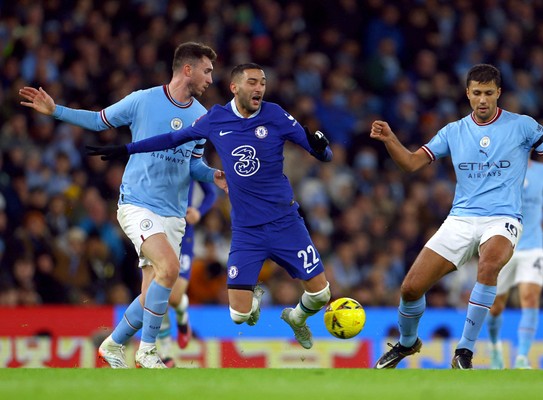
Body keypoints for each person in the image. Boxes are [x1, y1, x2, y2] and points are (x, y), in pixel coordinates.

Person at [368, 64, 543, 370]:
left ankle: (464, 352)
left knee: (490, 261)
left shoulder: (522, 126)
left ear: (499, 94)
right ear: (467, 94)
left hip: (503, 217)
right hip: (461, 219)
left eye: (489, 93)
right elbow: (412, 164)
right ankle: (406, 343)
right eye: (477, 93)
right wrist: (390, 140)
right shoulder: (453, 132)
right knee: (410, 289)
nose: (483, 100)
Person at [87, 63, 334, 349]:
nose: (259, 89)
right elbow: (172, 139)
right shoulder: (215, 119)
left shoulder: (275, 115)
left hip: (285, 221)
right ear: (235, 87)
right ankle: (251, 298)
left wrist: (321, 149)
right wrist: (126, 149)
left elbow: (320, 153)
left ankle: (295, 317)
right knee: (239, 315)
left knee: (321, 295)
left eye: (263, 83)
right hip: (247, 230)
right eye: (252, 82)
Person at [19, 42, 225, 368]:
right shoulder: (143, 100)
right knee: (170, 269)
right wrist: (55, 110)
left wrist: (214, 175)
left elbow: (193, 164)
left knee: (153, 294)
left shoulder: (202, 117)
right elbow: (100, 121)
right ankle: (148, 352)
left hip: (173, 215)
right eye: (207, 70)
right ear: (188, 69)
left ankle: (113, 345)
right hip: (138, 204)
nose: (211, 79)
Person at [486, 159, 543, 370]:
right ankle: (495, 349)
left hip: (533, 246)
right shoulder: (500, 166)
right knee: (496, 305)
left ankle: (522, 357)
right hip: (505, 243)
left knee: (530, 298)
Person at [157, 180, 217, 367]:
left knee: (174, 298)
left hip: (184, 236)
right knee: (158, 296)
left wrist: (198, 211)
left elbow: (211, 192)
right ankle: (165, 353)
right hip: (157, 233)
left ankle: (182, 318)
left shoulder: (191, 157)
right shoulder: (155, 158)